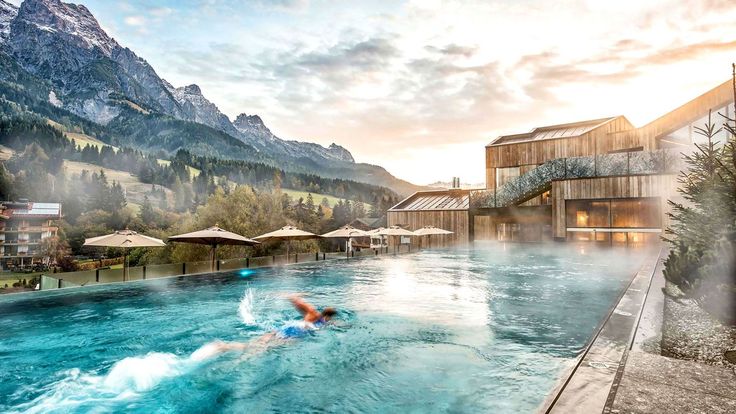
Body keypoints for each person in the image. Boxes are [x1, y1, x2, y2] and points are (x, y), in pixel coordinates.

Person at [198, 294, 337, 359]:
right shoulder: (323, 322)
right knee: (260, 351)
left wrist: (297, 297)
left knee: (254, 344)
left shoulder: (312, 313)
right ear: (329, 316)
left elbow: (297, 301)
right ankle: (231, 359)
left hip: (285, 328)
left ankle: (224, 346)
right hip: (292, 334)